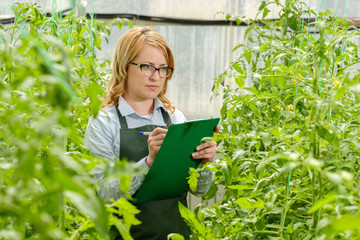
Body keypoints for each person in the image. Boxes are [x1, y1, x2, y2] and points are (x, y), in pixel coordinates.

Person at [84, 26, 218, 240]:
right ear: (124, 66)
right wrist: (148, 162)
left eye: (163, 69)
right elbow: (102, 195)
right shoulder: (103, 123)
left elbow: (200, 190)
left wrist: (202, 162)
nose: (156, 77)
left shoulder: (175, 119)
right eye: (147, 67)